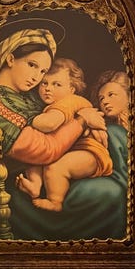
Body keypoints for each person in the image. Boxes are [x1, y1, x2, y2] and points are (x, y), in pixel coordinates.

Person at [0, 23, 127, 240]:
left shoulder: (26, 95)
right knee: (111, 194)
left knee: (115, 145)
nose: (37, 78)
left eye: (42, 71)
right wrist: (83, 120)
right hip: (11, 194)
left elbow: (62, 110)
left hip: (58, 170)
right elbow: (45, 150)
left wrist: (84, 115)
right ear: (10, 59)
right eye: (32, 65)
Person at [16, 58, 113, 211]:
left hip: (89, 153)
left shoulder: (69, 102)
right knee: (36, 157)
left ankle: (55, 202)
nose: (48, 88)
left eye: (57, 84)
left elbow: (49, 124)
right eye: (44, 83)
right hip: (66, 150)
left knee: (54, 167)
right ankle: (35, 185)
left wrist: (24, 119)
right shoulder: (54, 105)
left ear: (72, 89)